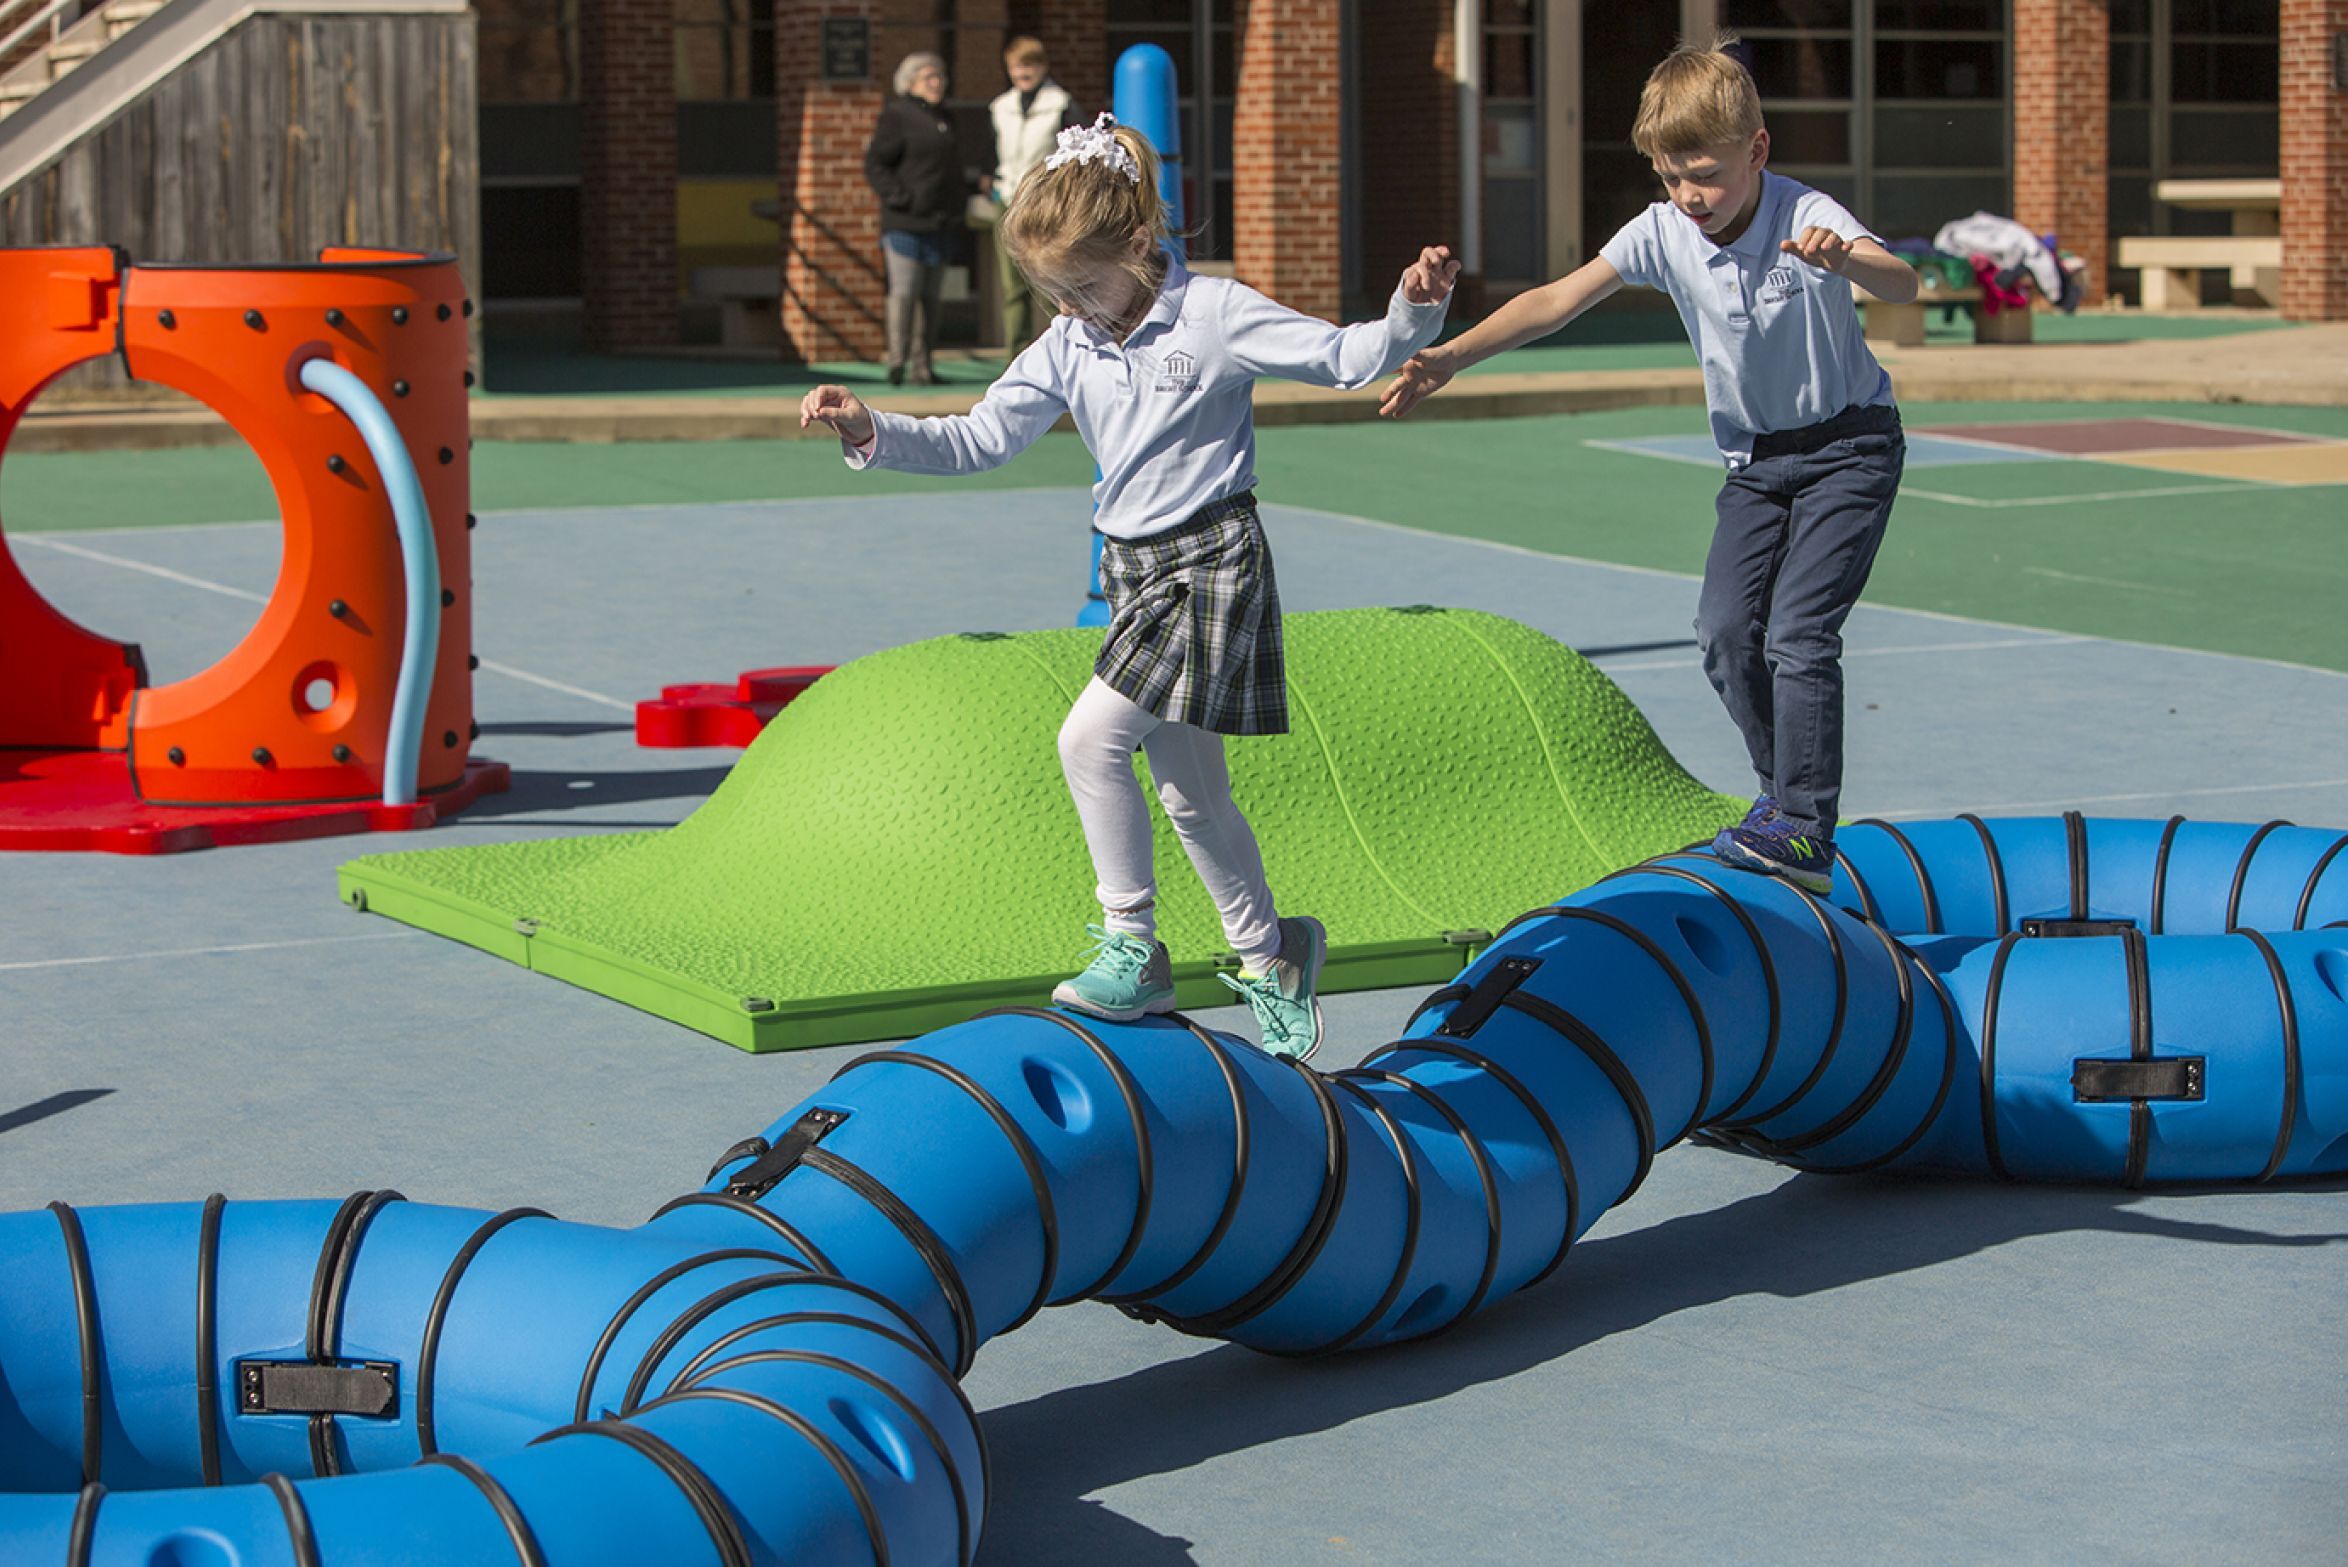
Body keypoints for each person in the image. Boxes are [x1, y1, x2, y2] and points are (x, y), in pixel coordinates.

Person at [801, 115, 1460, 1060]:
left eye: (1081, 284)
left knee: (1089, 739)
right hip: (1133, 570)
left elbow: (1346, 358)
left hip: (1210, 563)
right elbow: (979, 438)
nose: (1069, 306)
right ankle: (1271, 953)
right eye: (1052, 291)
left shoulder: (1213, 314)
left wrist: (1412, 312)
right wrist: (871, 426)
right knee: (1190, 793)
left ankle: (1133, 945)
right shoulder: (1069, 341)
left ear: (1140, 244)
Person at [1380, 35, 1915, 896]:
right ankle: (1785, 799)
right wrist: (1452, 355)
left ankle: (1806, 827)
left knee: (1798, 634)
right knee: (1724, 633)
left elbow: (1903, 284)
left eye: (1705, 174)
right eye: (1671, 177)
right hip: (1756, 463)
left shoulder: (1804, 213)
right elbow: (1557, 300)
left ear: (1758, 150)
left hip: (1849, 448)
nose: (1689, 196)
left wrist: (1846, 258)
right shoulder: (1665, 231)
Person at [865, 52, 965, 385]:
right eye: (928, 78)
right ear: (910, 83)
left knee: (932, 299)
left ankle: (924, 366)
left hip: (940, 221)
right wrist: (900, 198)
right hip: (905, 222)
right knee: (905, 292)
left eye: (940, 77)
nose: (937, 83)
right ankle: (897, 361)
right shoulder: (896, 116)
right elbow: (876, 164)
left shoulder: (946, 117)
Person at [985, 35, 1079, 357]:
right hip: (1008, 201)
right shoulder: (1000, 107)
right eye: (1016, 66)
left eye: (1029, 65)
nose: (1023, 73)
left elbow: (1076, 156)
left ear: (1043, 67)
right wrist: (990, 181)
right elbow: (990, 152)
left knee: (1052, 281)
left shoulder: (1061, 104)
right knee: (1012, 288)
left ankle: (1068, 353)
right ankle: (1017, 359)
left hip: (1045, 206)